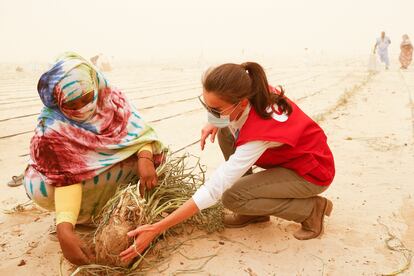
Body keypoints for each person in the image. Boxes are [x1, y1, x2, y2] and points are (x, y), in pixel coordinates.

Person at [120, 62, 335, 262]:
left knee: (232, 197)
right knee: (225, 131)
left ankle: (311, 210)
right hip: (293, 157)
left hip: (311, 172)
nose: (210, 113)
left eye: (216, 110)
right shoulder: (251, 88)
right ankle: (257, 212)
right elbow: (224, 114)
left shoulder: (258, 134)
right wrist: (214, 121)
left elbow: (214, 189)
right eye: (207, 106)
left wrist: (157, 228)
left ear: (241, 103)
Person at [23, 52, 165, 265]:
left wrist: (144, 155)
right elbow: (65, 177)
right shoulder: (51, 129)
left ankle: (113, 207)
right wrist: (64, 226)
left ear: (95, 85)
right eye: (72, 104)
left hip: (113, 174)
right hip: (77, 183)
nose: (82, 108)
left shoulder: (112, 100)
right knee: (38, 186)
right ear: (58, 102)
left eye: (87, 98)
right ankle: (82, 216)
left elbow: (141, 133)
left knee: (155, 159)